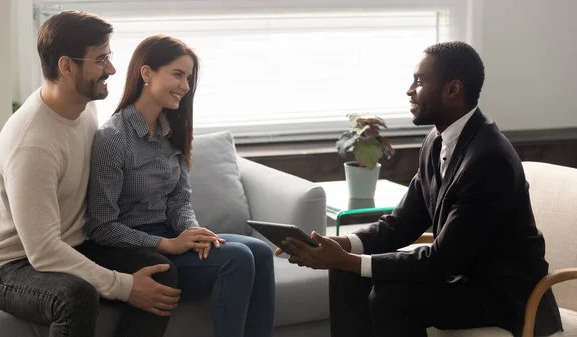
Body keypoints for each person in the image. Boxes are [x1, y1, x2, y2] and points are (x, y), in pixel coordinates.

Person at [276, 41, 563, 337]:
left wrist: (345, 259)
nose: (410, 90)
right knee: (345, 274)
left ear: (453, 90)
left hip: (505, 294)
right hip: (460, 278)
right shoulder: (435, 141)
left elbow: (441, 261)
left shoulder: (489, 159)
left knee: (391, 298)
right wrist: (337, 247)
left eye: (419, 81)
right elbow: (399, 225)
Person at [0, 11, 182, 337]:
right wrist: (124, 286)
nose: (112, 69)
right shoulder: (33, 144)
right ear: (67, 66)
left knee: (158, 270)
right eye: (101, 60)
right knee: (75, 296)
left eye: (109, 57)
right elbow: (42, 252)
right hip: (7, 265)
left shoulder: (85, 104)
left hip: (71, 245)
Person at [85, 34, 276, 337]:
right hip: (132, 249)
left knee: (261, 252)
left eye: (188, 77)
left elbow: (179, 201)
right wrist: (168, 244)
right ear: (146, 73)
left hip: (171, 237)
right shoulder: (113, 138)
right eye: (178, 74)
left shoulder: (170, 131)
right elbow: (101, 226)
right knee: (237, 258)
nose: (186, 86)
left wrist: (192, 232)